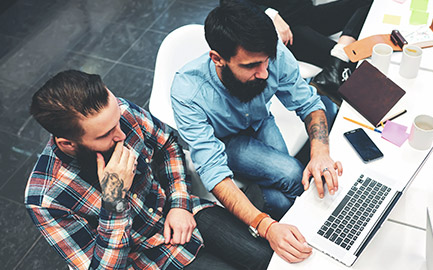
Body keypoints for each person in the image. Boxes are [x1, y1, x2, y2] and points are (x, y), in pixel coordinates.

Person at [25, 70, 273, 270]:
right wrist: (114, 200)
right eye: (106, 135)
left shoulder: (119, 112)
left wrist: (178, 203)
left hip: (179, 211)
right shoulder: (46, 199)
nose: (121, 133)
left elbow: (168, 145)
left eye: (117, 122)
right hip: (144, 257)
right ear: (68, 143)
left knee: (268, 258)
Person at [171, 0, 342, 263]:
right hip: (224, 141)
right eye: (251, 66)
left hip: (261, 121)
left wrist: (319, 153)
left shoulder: (271, 55)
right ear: (218, 59)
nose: (264, 73)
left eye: (266, 62)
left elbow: (310, 104)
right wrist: (265, 226)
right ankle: (274, 219)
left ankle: (263, 201)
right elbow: (214, 174)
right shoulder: (188, 91)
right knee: (293, 174)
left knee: (289, 190)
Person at [222, 0, 373, 102]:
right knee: (354, 64)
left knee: (368, 2)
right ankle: (337, 68)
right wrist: (270, 14)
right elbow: (228, 3)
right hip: (288, 32)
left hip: (306, 14)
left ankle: (340, 52)